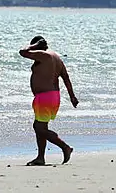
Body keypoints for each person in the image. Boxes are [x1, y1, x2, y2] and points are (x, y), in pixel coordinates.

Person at [19, 35, 77, 166]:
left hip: (44, 97)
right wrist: (72, 97)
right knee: (40, 126)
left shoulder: (44, 55)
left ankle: (65, 147)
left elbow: (22, 52)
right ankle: (40, 158)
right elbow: (66, 78)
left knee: (39, 128)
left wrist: (33, 46)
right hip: (54, 96)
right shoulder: (57, 58)